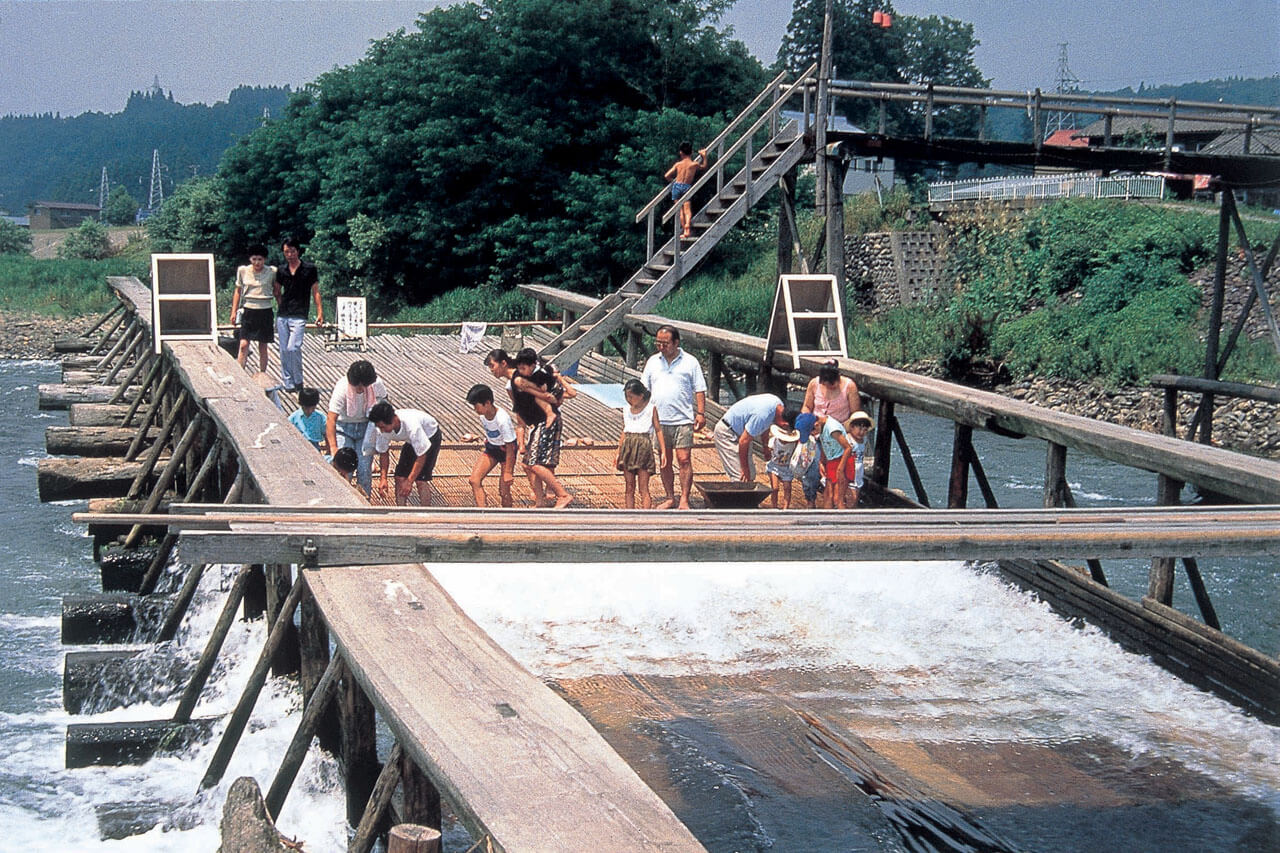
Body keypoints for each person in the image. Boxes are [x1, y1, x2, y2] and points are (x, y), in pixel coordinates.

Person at [485, 349, 574, 509]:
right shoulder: (512, 383)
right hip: (535, 422)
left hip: (545, 420)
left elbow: (544, 393)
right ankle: (540, 501)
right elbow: (519, 408)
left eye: (493, 366)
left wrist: (551, 400)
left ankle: (563, 494)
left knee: (535, 463)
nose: (492, 370)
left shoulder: (520, 379)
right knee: (527, 464)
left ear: (503, 363)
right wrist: (522, 437)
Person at [641, 324, 707, 510]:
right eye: (658, 343)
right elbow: (644, 388)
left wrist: (701, 413)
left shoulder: (690, 362)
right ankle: (670, 497)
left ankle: (684, 498)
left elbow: (700, 389)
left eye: (665, 344)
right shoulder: (653, 361)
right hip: (659, 420)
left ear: (676, 343)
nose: (661, 347)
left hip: (683, 419)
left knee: (684, 458)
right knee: (665, 459)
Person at [800, 360, 861, 508]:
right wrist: (806, 423)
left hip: (837, 435)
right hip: (816, 431)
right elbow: (807, 406)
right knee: (811, 466)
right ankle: (810, 500)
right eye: (825, 385)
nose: (828, 387)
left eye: (831, 385)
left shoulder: (849, 386)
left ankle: (842, 503)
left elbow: (855, 415)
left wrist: (838, 428)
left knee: (836, 475)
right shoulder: (814, 384)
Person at [325, 360, 387, 496]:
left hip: (366, 427)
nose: (360, 389)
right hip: (343, 427)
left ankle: (365, 503)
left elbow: (384, 401)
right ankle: (340, 501)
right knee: (344, 467)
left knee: (364, 469)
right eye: (357, 386)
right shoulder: (341, 388)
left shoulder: (377, 384)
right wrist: (334, 448)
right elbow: (331, 419)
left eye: (363, 386)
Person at [273, 237, 324, 392]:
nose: (290, 254)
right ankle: (288, 383)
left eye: (292, 251)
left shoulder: (309, 269)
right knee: (283, 350)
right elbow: (277, 291)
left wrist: (320, 312)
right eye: (286, 252)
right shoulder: (281, 270)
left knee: (293, 347)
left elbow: (315, 292)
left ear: (298, 251)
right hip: (283, 314)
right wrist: (281, 304)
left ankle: (298, 380)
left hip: (300, 314)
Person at [369, 401, 443, 506]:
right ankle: (401, 511)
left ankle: (426, 512)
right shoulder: (381, 430)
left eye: (383, 427)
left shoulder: (412, 426)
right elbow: (384, 453)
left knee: (420, 480)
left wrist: (409, 481)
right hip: (410, 440)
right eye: (379, 427)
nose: (382, 430)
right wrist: (383, 478)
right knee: (399, 477)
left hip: (430, 435)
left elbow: (421, 455)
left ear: (393, 419)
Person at [712, 393, 792, 483]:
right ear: (785, 424)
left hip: (743, 432)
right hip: (727, 432)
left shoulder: (778, 405)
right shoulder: (762, 415)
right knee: (740, 477)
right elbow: (743, 441)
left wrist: (765, 448)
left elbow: (765, 427)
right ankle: (736, 496)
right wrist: (744, 468)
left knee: (751, 475)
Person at [615, 379, 667, 510]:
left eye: (631, 397)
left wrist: (664, 451)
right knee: (629, 486)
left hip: (643, 445)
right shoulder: (626, 409)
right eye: (627, 397)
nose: (628, 399)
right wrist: (618, 451)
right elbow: (625, 430)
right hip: (628, 446)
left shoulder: (651, 409)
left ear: (641, 395)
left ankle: (645, 515)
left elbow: (658, 429)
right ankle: (629, 514)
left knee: (643, 487)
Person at [465, 383, 517, 508]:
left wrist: (508, 472)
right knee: (474, 480)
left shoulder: (502, 419)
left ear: (487, 403)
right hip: (492, 447)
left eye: (476, 406)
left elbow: (510, 447)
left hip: (506, 451)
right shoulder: (483, 416)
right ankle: (483, 512)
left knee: (504, 490)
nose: (475, 410)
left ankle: (508, 517)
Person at [229, 244, 275, 373]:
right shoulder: (243, 271)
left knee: (263, 346)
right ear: (250, 259)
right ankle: (241, 373)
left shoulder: (272, 272)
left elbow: (277, 291)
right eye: (254, 259)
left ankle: (262, 374)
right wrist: (233, 311)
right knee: (243, 344)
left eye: (260, 259)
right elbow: (237, 291)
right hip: (248, 310)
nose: (257, 262)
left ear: (264, 259)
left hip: (265, 310)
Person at [664, 142, 708, 239]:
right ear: (691, 152)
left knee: (680, 211)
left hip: (677, 186)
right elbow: (704, 167)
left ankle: (684, 231)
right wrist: (704, 156)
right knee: (687, 210)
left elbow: (667, 175)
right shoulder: (694, 164)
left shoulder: (678, 164)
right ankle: (688, 227)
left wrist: (673, 181)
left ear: (681, 153)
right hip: (686, 187)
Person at [814, 412, 854, 509]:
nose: (813, 434)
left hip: (843, 460)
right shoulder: (822, 428)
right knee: (828, 495)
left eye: (812, 432)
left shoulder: (832, 428)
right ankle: (826, 521)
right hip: (831, 461)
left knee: (838, 498)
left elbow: (848, 448)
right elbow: (824, 444)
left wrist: (840, 468)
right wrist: (821, 461)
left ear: (816, 425)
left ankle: (845, 522)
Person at [765, 421, 802, 510]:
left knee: (787, 488)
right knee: (775, 488)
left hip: (787, 467)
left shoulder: (793, 443)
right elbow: (768, 451)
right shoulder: (773, 441)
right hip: (774, 466)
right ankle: (774, 506)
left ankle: (786, 508)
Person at [844, 411, 873, 508]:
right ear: (851, 427)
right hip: (849, 472)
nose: (862, 432)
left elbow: (865, 454)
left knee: (855, 498)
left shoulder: (864, 441)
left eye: (865, 430)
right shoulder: (847, 440)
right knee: (851, 498)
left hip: (859, 473)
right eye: (859, 429)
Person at [287, 387, 327, 453]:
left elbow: (327, 433)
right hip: (297, 447)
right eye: (305, 408)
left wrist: (328, 448)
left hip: (315, 447)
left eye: (312, 408)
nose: (309, 411)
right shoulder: (293, 418)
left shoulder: (320, 417)